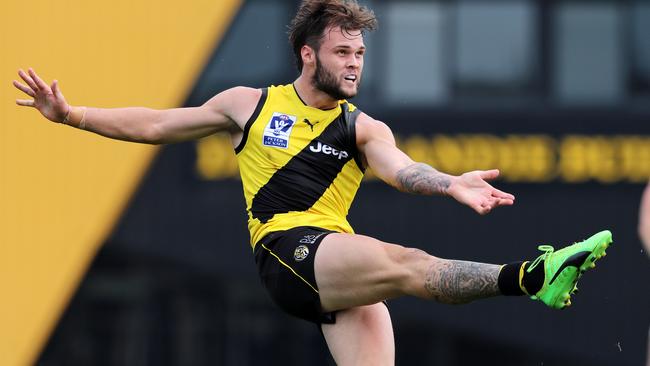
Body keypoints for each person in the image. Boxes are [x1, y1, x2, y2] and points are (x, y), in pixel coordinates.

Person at [14, 0, 612, 364]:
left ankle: (533, 277)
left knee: (388, 290)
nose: (355, 62)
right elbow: (154, 123)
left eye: (360, 53)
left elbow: (403, 170)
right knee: (405, 261)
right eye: (343, 51)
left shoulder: (362, 127)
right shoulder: (247, 104)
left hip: (333, 265)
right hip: (286, 251)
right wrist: (72, 115)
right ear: (308, 54)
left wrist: (448, 182)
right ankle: (532, 276)